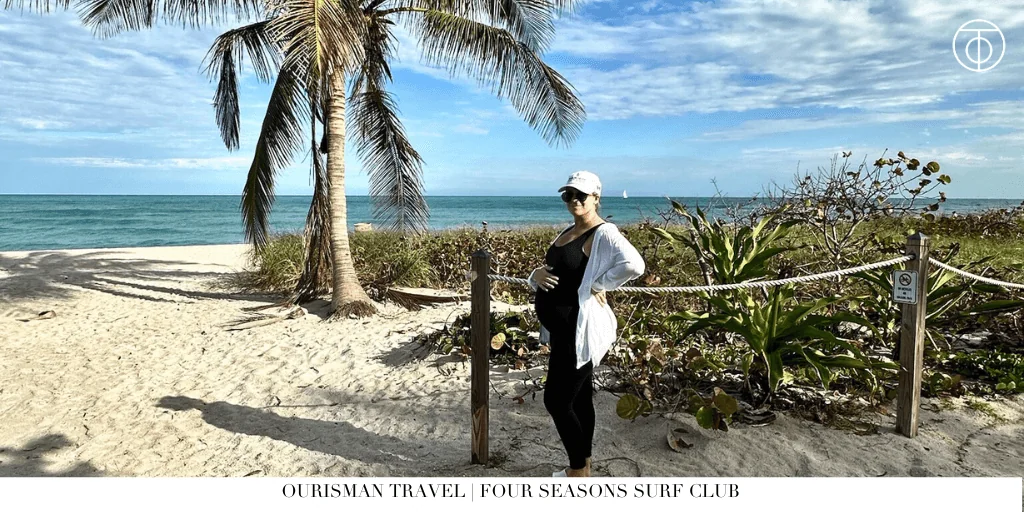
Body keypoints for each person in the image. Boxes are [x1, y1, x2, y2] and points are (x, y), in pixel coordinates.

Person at [527, 171, 646, 478]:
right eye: (568, 195)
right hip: (561, 331)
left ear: (596, 197)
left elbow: (634, 264)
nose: (574, 200)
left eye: (581, 195)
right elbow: (556, 271)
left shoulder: (603, 232)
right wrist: (535, 276)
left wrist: (600, 283)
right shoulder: (568, 230)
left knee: (556, 401)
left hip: (578, 331)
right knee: (579, 400)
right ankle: (586, 465)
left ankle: (577, 471)